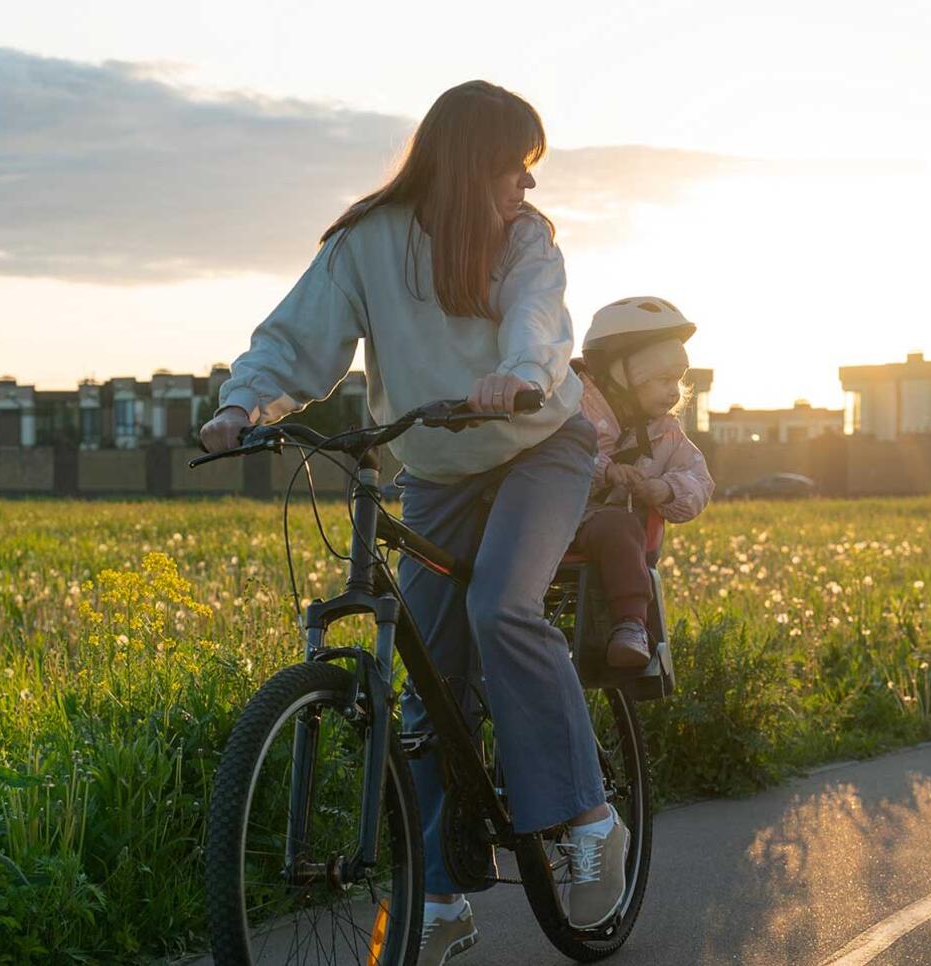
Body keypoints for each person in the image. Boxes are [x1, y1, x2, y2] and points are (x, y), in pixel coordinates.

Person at [199, 81, 629, 964]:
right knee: (423, 690)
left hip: (539, 443)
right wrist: (245, 403)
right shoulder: (367, 242)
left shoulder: (524, 243)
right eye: (518, 168)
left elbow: (538, 325)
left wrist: (516, 374)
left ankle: (589, 817)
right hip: (435, 466)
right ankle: (436, 895)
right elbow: (297, 337)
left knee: (501, 607)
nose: (528, 187)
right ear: (472, 163)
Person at [571, 297, 715, 667]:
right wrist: (605, 469)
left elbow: (699, 477)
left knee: (619, 526)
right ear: (621, 376)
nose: (674, 391)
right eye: (663, 380)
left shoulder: (666, 433)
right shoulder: (570, 407)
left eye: (678, 381)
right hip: (555, 518)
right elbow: (555, 454)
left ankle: (631, 626)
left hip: (613, 530)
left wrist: (666, 489)